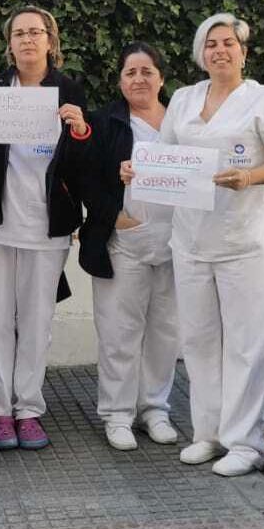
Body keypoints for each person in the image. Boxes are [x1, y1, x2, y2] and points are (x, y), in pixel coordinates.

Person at [126, 12, 264, 477]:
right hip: (190, 242)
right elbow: (164, 162)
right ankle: (208, 434)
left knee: (248, 343)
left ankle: (245, 443)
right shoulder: (184, 100)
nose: (220, 50)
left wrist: (249, 177)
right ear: (200, 53)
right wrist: (137, 171)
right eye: (211, 44)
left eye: (228, 43)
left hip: (243, 241)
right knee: (201, 342)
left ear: (243, 52)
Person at [0, 6, 92, 451]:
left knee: (37, 319)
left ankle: (29, 410)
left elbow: (78, 167)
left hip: (46, 226)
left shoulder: (69, 90)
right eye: (19, 33)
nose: (28, 40)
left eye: (36, 32)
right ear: (9, 43)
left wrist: (80, 131)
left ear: (50, 41)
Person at [80, 42, 182, 452]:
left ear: (160, 77)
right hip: (124, 241)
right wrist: (113, 214)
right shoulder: (106, 123)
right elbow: (84, 176)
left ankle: (154, 408)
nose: (139, 79)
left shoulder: (184, 120)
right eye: (130, 73)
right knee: (120, 331)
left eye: (146, 71)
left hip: (175, 241)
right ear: (120, 81)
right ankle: (117, 414)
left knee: (165, 330)